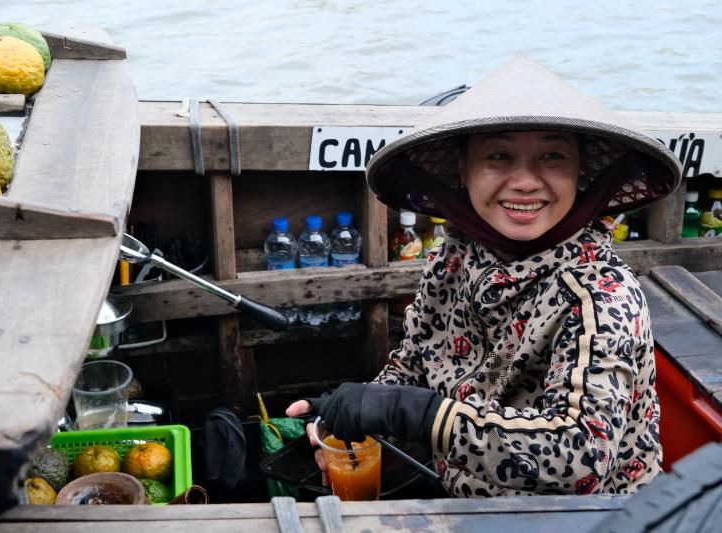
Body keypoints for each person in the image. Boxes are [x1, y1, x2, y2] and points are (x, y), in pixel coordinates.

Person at [286, 56, 681, 497]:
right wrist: (357, 414)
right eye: (499, 156)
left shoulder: (600, 294)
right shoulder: (455, 256)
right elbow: (417, 361)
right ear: (463, 171)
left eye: (553, 156)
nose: (526, 182)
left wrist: (409, 412)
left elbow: (580, 458)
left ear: (579, 174)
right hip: (463, 494)